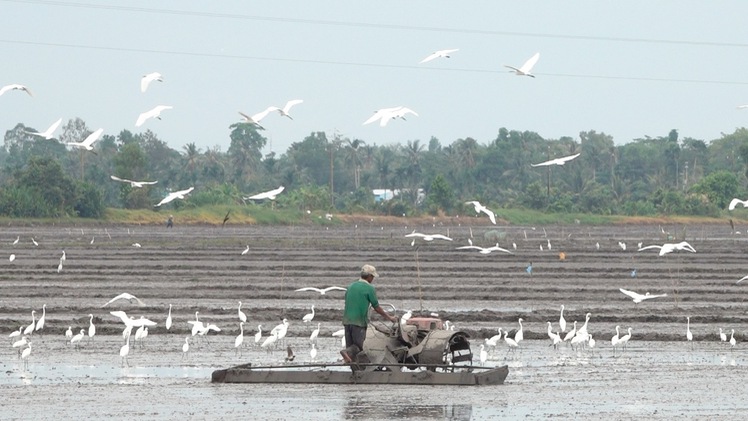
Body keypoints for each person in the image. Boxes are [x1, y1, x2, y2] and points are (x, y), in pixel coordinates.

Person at [340, 264, 397, 366]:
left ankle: (354, 372)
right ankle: (346, 353)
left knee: (351, 349)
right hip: (359, 322)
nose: (373, 279)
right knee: (358, 347)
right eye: (373, 277)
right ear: (369, 276)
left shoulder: (351, 286)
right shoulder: (369, 288)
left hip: (347, 321)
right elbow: (377, 307)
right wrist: (389, 317)